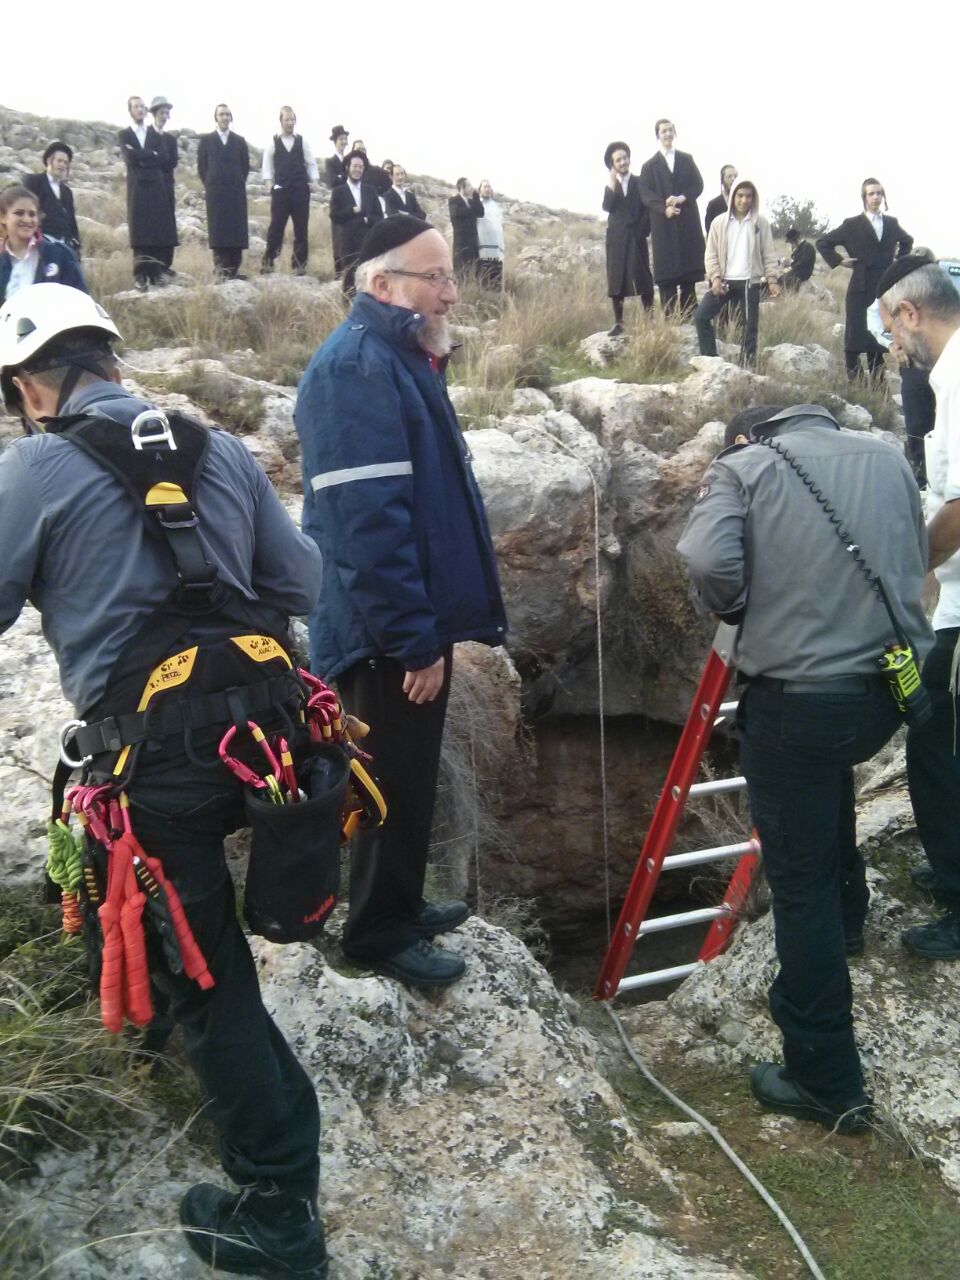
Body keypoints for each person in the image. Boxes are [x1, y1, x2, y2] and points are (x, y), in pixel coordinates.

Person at [0, 283, 329, 1276]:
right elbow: (302, 582)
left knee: (205, 976)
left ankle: (279, 1208)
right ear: (107, 356)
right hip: (268, 741)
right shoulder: (218, 447)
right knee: (212, 958)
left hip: (155, 764)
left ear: (30, 384)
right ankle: (244, 1112)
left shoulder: (39, 462)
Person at [677, 402, 931, 1133]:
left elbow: (706, 561)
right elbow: (909, 552)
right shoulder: (885, 456)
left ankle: (825, 1077)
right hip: (885, 692)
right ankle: (850, 920)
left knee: (801, 881)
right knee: (829, 789)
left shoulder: (743, 468)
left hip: (798, 702)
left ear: (748, 434)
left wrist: (739, 603)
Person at [294, 215, 507, 989]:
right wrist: (414, 638)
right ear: (381, 286)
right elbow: (366, 522)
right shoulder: (354, 369)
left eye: (451, 278)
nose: (450, 295)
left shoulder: (400, 357)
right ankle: (376, 930)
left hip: (411, 620)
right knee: (385, 775)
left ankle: (401, 904)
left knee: (411, 771)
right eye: (436, 279)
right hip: (383, 628)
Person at [877, 258, 960, 958]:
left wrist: (914, 569)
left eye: (890, 332)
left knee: (937, 742)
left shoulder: (957, 378)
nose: (893, 350)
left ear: (911, 312)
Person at [817, 179, 913, 381]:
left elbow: (907, 241)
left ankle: (878, 386)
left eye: (879, 193)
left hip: (884, 288)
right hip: (859, 286)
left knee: (876, 338)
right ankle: (855, 382)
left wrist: (897, 262)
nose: (876, 197)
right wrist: (840, 261)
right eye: (871, 193)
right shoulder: (852, 224)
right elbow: (823, 242)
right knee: (853, 337)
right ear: (864, 197)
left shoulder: (891, 223)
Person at [695, 179, 780, 365]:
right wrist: (715, 277)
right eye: (740, 195)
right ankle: (710, 361)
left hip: (750, 281)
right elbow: (711, 254)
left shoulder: (761, 223)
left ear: (753, 198)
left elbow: (769, 252)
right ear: (733, 196)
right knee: (701, 316)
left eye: (748, 196)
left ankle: (747, 365)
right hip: (725, 281)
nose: (744, 200)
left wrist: (772, 279)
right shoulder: (719, 223)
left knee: (750, 326)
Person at [638, 119, 706, 317]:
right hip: (663, 226)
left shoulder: (687, 159)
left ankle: (690, 321)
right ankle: (671, 325)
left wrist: (682, 198)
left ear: (675, 133)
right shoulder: (649, 166)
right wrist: (663, 208)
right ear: (657, 135)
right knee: (667, 280)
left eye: (670, 130)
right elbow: (645, 193)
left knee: (688, 278)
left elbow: (698, 185)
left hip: (687, 223)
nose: (667, 134)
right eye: (663, 131)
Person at [118, 95, 180, 289]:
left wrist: (143, 157)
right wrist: (149, 155)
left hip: (156, 186)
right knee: (139, 230)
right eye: (135, 107)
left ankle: (155, 273)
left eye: (141, 106)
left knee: (155, 229)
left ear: (146, 110)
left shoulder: (154, 134)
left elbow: (163, 157)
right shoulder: (125, 134)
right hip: (137, 187)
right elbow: (129, 156)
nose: (139, 110)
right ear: (130, 111)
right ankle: (139, 275)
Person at [0, 186, 86, 304]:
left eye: (32, 214)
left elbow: (82, 302)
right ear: (3, 217)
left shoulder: (61, 255)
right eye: (19, 213)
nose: (27, 219)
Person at [602, 141, 653, 336]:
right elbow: (607, 207)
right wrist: (611, 182)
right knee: (617, 279)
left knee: (643, 277)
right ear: (612, 164)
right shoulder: (611, 185)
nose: (623, 162)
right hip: (616, 237)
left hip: (636, 235)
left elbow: (648, 209)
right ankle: (618, 321)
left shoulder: (641, 182)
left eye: (624, 158)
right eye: (618, 160)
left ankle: (649, 319)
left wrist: (643, 231)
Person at [260, 107, 318, 276]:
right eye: (287, 120)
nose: (290, 123)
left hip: (300, 190)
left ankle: (299, 265)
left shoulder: (302, 141)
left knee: (301, 228)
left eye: (292, 119)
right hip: (281, 191)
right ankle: (268, 262)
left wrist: (314, 180)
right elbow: (267, 166)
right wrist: (269, 184)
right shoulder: (273, 142)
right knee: (276, 227)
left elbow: (311, 163)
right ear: (281, 121)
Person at [197, 104, 251, 281]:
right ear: (216, 118)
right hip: (216, 193)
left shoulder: (239, 141)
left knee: (235, 230)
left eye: (228, 114)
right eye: (221, 114)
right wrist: (212, 182)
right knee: (219, 229)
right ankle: (221, 269)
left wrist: (235, 181)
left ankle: (234, 270)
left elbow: (245, 166)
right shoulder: (207, 141)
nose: (225, 118)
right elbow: (202, 167)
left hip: (235, 192)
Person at [328, 150, 383, 293]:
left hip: (368, 243)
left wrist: (366, 219)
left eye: (361, 167)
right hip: (348, 242)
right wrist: (353, 211)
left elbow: (379, 216)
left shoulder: (370, 191)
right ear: (348, 167)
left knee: (369, 283)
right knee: (350, 284)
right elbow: (334, 216)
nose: (358, 170)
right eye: (355, 166)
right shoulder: (339, 191)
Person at [24, 142, 81, 252]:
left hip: (65, 247)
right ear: (49, 161)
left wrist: (76, 246)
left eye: (65, 162)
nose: (63, 165)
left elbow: (72, 221)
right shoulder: (33, 181)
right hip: (39, 244)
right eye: (59, 161)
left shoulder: (67, 191)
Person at [147, 96, 179, 281]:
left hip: (167, 186)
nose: (165, 116)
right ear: (154, 114)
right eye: (161, 113)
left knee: (168, 225)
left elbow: (171, 162)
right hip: (151, 187)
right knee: (153, 225)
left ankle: (166, 264)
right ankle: (152, 265)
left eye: (167, 113)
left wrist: (157, 157)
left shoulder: (170, 139)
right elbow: (148, 160)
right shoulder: (147, 135)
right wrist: (157, 157)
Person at [448, 178, 484, 278]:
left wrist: (476, 196)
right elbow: (456, 213)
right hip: (461, 242)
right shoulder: (454, 200)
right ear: (462, 187)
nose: (471, 187)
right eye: (469, 185)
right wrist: (471, 209)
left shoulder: (471, 202)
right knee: (460, 271)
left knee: (474, 270)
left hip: (472, 242)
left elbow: (480, 213)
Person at [476, 178, 505, 289]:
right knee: (483, 280)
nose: (487, 189)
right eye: (485, 187)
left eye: (489, 187)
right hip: (482, 248)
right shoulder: (477, 205)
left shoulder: (496, 207)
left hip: (496, 251)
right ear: (480, 190)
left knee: (496, 281)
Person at [780, 227, 816, 293]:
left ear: (794, 240)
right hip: (797, 272)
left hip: (803, 273)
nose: (791, 244)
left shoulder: (807, 246)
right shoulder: (799, 248)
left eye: (791, 242)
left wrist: (791, 267)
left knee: (786, 280)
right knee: (780, 279)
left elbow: (803, 261)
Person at [704, 164, 737, 233]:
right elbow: (709, 230)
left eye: (735, 176)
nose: (733, 179)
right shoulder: (713, 204)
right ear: (722, 180)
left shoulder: (743, 203)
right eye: (729, 176)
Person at [324, 125, 349, 189]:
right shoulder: (330, 161)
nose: (344, 141)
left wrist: (340, 176)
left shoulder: (349, 160)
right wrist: (347, 176)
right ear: (335, 141)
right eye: (341, 139)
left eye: (345, 139)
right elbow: (332, 181)